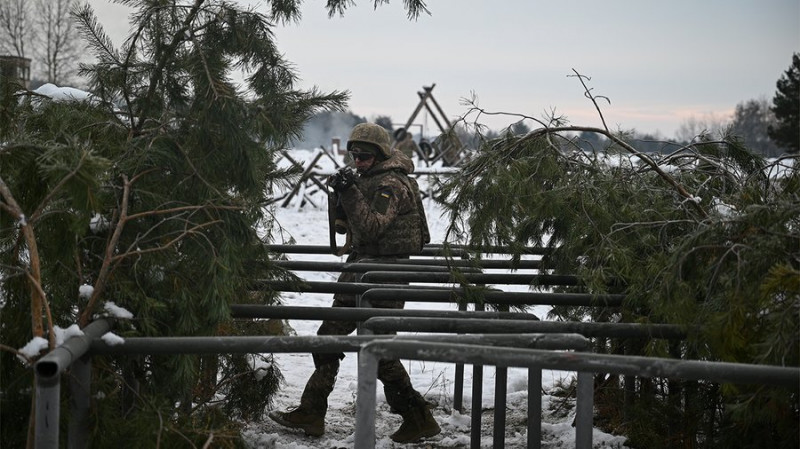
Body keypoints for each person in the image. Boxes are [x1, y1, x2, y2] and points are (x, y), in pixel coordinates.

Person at [269, 123, 439, 443]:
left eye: (364, 156)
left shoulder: (391, 183)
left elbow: (373, 227)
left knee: (379, 351)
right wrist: (341, 195)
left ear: (379, 155)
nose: (357, 162)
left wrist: (348, 191)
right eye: (354, 155)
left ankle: (418, 417)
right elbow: (348, 229)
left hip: (386, 275)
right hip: (362, 269)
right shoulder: (368, 179)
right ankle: (312, 410)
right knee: (328, 336)